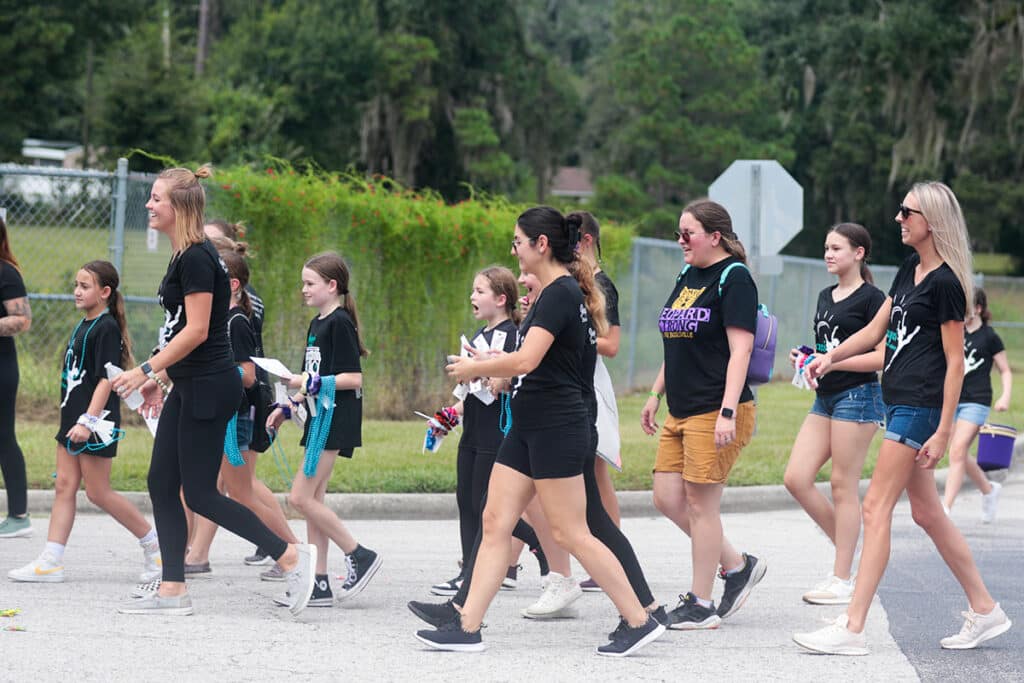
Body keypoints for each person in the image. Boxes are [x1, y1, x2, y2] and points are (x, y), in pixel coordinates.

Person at [416, 206, 665, 657]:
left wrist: (476, 365)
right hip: (529, 425)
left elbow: (528, 359)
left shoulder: (562, 293)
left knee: (571, 532)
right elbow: (543, 365)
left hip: (556, 427)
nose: (514, 250)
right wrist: (497, 376)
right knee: (495, 521)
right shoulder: (554, 293)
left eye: (518, 241)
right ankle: (466, 626)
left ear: (541, 245)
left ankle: (638, 619)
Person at [794, 181, 1012, 655]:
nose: (898, 219)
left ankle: (852, 627)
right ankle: (985, 607)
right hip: (899, 401)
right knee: (927, 512)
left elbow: (956, 362)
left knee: (875, 508)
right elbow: (877, 328)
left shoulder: (948, 283)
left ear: (929, 221)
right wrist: (829, 358)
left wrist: (945, 429)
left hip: (920, 406)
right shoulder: (911, 269)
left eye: (906, 212)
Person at [111, 166, 315, 617]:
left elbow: (199, 330)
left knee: (201, 493)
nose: (149, 204)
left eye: (157, 198)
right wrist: (157, 379)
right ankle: (172, 589)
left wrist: (145, 368)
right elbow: (177, 329)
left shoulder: (199, 258)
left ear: (180, 207)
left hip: (209, 385)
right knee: (163, 484)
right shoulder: (184, 253)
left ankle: (291, 556)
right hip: (190, 383)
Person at [641, 199, 766, 630]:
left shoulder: (735, 278)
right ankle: (737, 566)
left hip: (716, 408)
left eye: (687, 234)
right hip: (680, 407)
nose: (680, 241)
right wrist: (656, 393)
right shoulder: (686, 275)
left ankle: (702, 603)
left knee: (699, 505)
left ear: (714, 236)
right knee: (666, 497)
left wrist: (728, 412)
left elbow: (741, 351)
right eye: (679, 233)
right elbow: (676, 340)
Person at [8, 261, 161, 583]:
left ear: (105, 292)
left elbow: (107, 379)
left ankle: (156, 548)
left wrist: (88, 421)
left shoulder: (106, 327)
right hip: (72, 421)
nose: (77, 291)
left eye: (85, 286)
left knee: (98, 492)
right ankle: (51, 560)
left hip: (95, 421)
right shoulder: (84, 324)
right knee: (64, 486)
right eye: (76, 285)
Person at [265, 252, 382, 607]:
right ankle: (319, 582)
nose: (303, 289)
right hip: (318, 417)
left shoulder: (340, 323)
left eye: (310, 283)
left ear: (332, 286)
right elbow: (309, 381)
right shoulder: (317, 323)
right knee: (313, 500)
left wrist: (309, 380)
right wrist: (288, 407)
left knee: (299, 498)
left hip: (334, 419)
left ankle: (360, 555)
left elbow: (353, 378)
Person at [429, 265, 548, 597]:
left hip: (498, 430)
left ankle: (535, 544)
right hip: (473, 431)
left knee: (486, 504)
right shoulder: (477, 338)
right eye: (473, 290)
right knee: (465, 499)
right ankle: (468, 567)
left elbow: (511, 383)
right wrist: (448, 415)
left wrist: (492, 376)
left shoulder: (515, 337)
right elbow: (469, 394)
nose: (472, 296)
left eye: (479, 291)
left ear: (501, 298)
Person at [182, 248, 300, 578]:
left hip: (236, 421)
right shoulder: (222, 320)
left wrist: (212, 372)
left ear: (232, 285)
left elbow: (247, 375)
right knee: (232, 491)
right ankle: (289, 552)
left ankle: (292, 551)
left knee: (242, 495)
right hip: (223, 417)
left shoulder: (235, 322)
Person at [783, 223, 885, 605]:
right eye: (826, 248)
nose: (828, 254)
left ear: (859, 253)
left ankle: (842, 578)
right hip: (824, 398)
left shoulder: (873, 299)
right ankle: (849, 549)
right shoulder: (826, 295)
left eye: (837, 248)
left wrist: (833, 363)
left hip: (857, 397)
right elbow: (830, 346)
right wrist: (808, 356)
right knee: (796, 478)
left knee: (843, 486)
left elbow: (883, 357)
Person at [570, 211, 623, 593]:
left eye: (570, 241)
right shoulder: (570, 283)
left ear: (587, 240)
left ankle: (615, 555)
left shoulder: (602, 285)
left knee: (597, 471)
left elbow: (612, 345)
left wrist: (575, 336)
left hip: (591, 383)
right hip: (569, 380)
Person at [942, 287, 1011, 521]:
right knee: (958, 453)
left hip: (977, 400)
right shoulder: (955, 332)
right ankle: (989, 490)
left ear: (978, 308)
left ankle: (946, 508)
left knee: (958, 450)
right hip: (954, 398)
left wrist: (1005, 396)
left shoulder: (990, 337)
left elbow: (1005, 370)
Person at [0, 216, 31, 539]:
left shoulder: (6, 273)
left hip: (2, 368)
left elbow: (22, 320)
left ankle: (19, 515)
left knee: (3, 437)